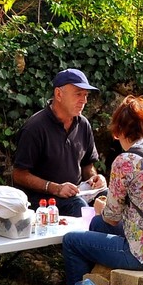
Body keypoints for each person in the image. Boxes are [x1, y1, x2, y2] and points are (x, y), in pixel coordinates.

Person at [61, 95, 143, 285]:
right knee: (96, 224)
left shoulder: (126, 161)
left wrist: (100, 208)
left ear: (121, 130)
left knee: (72, 241)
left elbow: (111, 218)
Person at [13, 68, 107, 217]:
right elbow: (19, 174)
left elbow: (87, 165)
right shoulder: (35, 128)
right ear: (58, 94)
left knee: (109, 198)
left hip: (77, 194)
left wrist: (94, 179)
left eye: (85, 95)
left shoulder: (83, 124)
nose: (84, 100)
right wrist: (55, 188)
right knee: (78, 206)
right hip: (42, 201)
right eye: (78, 94)